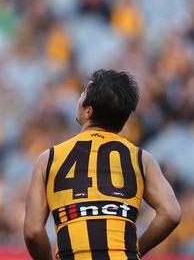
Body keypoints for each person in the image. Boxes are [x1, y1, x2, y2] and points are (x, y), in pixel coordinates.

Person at [24, 69, 181, 259]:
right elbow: (171, 213)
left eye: (82, 95)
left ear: (88, 110)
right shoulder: (141, 159)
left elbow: (33, 231)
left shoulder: (49, 159)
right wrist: (136, 250)